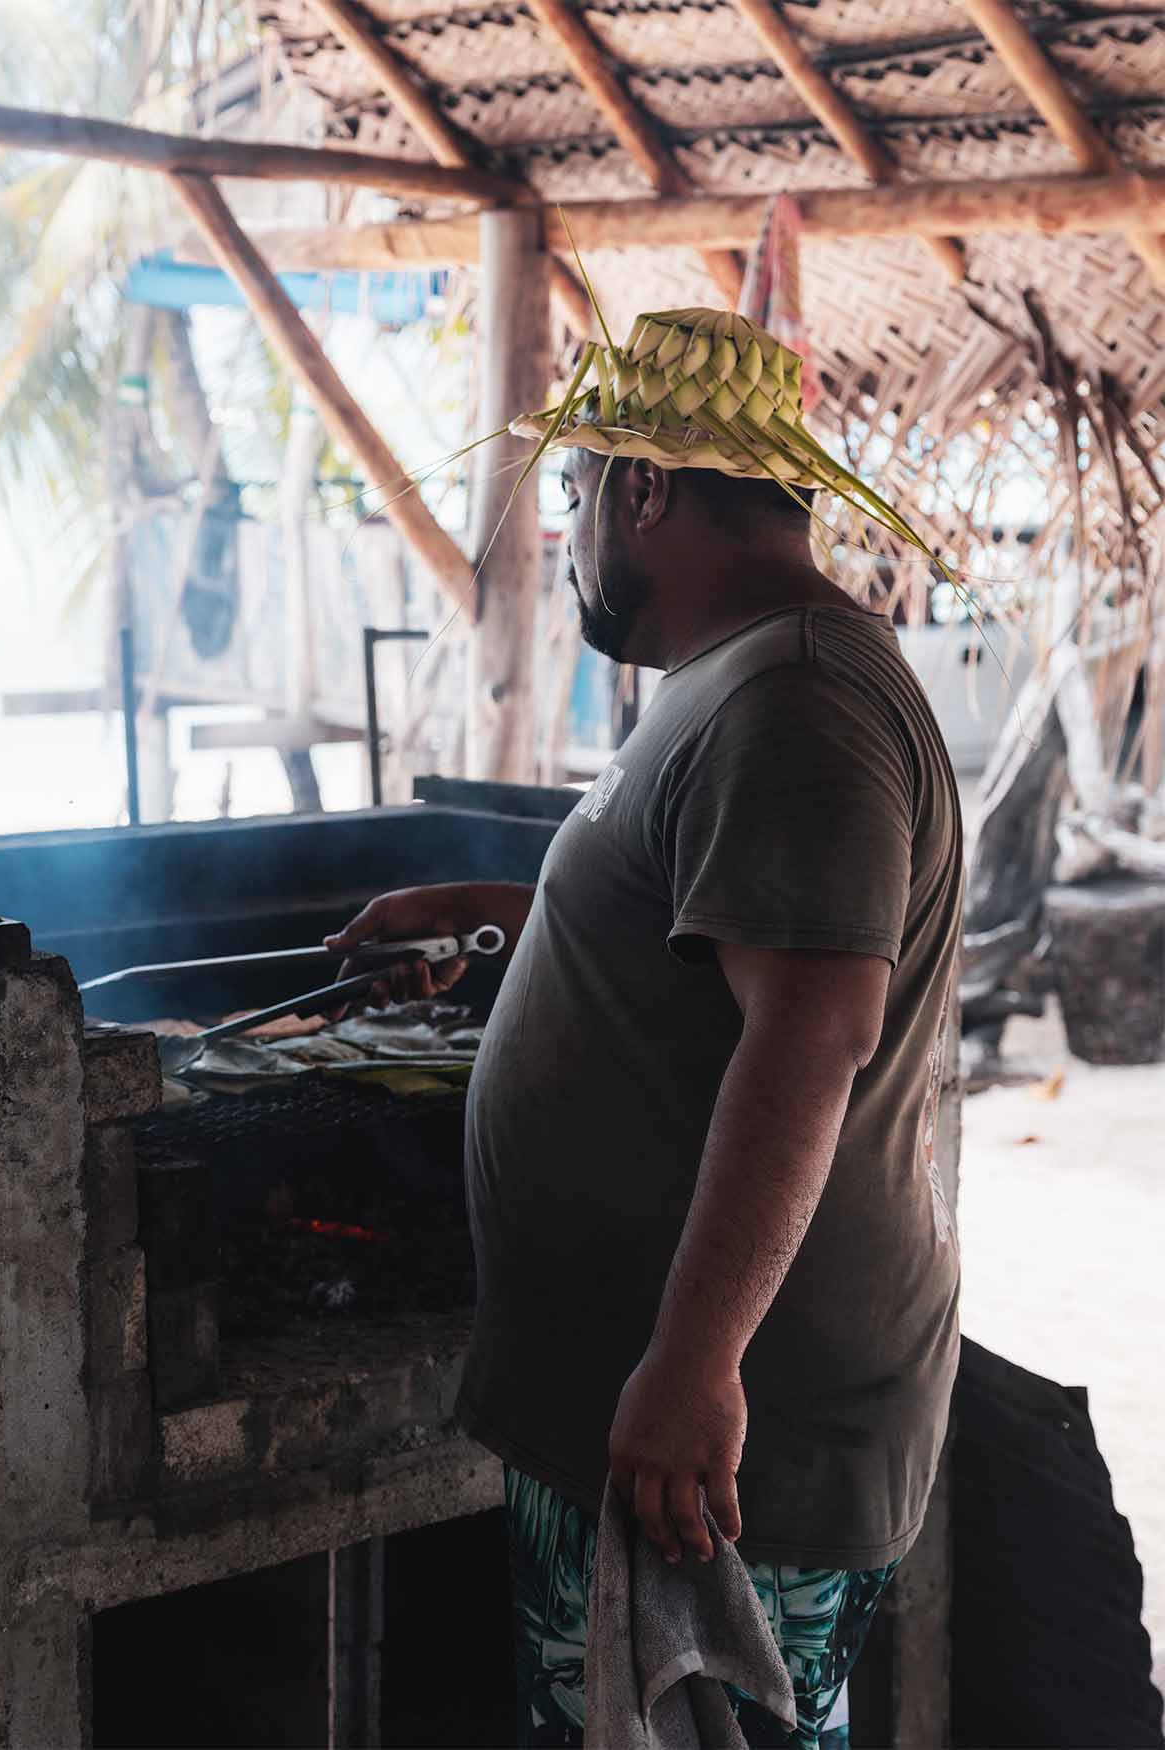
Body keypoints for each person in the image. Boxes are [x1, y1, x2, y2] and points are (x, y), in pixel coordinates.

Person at [328, 308, 963, 1750]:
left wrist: (691, 1365)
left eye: (576, 491)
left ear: (648, 491)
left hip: (726, 1451)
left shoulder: (796, 703)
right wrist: (502, 905)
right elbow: (716, 922)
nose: (571, 535)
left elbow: (811, 1037)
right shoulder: (740, 680)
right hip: (680, 1423)